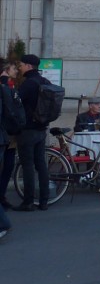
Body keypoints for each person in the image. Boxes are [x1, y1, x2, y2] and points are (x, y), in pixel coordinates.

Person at [14, 53, 49, 211]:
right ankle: (44, 201)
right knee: (41, 164)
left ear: (28, 66)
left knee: (27, 165)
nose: (20, 68)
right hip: (42, 129)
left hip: (27, 130)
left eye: (21, 65)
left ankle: (28, 201)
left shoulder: (28, 84)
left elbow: (16, 102)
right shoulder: (44, 81)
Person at [0, 62, 20, 211]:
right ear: (6, 70)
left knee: (8, 165)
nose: (17, 71)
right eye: (14, 69)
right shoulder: (4, 85)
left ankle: (2, 195)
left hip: (10, 133)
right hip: (5, 132)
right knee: (6, 165)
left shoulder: (10, 85)